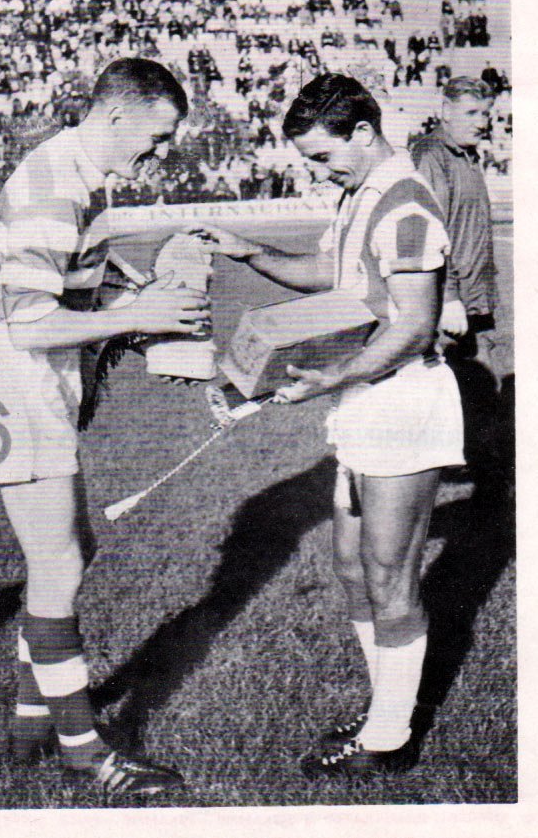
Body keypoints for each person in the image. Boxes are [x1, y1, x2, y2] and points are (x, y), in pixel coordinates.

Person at [0, 58, 212, 798]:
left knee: (69, 552)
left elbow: (80, 270)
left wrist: (142, 295)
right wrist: (140, 315)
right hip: (14, 372)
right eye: (157, 136)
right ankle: (82, 749)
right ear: (116, 116)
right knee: (59, 561)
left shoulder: (85, 175)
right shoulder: (54, 185)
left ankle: (32, 722)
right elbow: (30, 323)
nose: (161, 152)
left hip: (36, 374)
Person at [205, 74, 464, 776]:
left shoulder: (406, 204)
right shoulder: (361, 195)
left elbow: (414, 326)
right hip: (365, 400)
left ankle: (387, 740)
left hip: (403, 402)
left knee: (389, 574)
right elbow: (330, 271)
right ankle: (387, 707)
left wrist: (332, 376)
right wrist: (246, 250)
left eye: (324, 156)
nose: (319, 172)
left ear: (363, 132)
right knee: (353, 567)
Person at [411, 76, 513, 489]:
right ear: (445, 111)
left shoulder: (467, 155)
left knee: (478, 393)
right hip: (450, 303)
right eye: (471, 112)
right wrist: (450, 296)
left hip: (477, 297)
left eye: (485, 113)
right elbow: (429, 230)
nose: (481, 122)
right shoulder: (431, 155)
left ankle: (481, 478)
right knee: (451, 393)